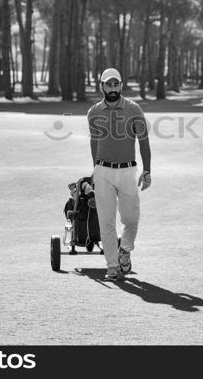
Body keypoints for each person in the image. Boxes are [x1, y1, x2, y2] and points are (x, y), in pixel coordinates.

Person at [87, 68, 151, 281]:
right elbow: (94, 142)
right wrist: (95, 170)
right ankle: (112, 267)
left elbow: (143, 141)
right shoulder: (94, 112)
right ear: (102, 86)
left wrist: (147, 169)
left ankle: (125, 249)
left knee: (131, 219)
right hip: (103, 171)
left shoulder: (134, 109)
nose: (112, 88)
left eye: (116, 84)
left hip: (128, 171)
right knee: (106, 221)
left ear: (121, 86)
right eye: (108, 84)